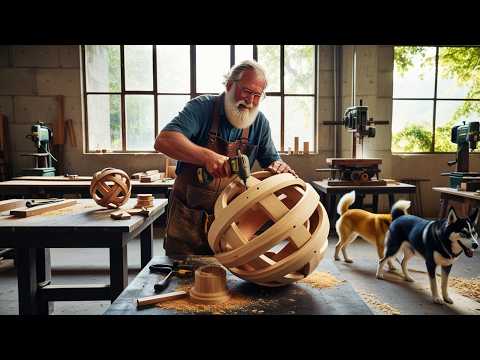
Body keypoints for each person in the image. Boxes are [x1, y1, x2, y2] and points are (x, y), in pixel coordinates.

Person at [154, 59, 296, 256]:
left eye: (257, 95)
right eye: (246, 91)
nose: (250, 100)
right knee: (182, 277)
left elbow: (272, 161)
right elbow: (164, 140)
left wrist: (279, 167)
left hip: (231, 223)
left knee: (230, 280)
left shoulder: (260, 123)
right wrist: (207, 156)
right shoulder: (201, 108)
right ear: (230, 85)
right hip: (188, 218)